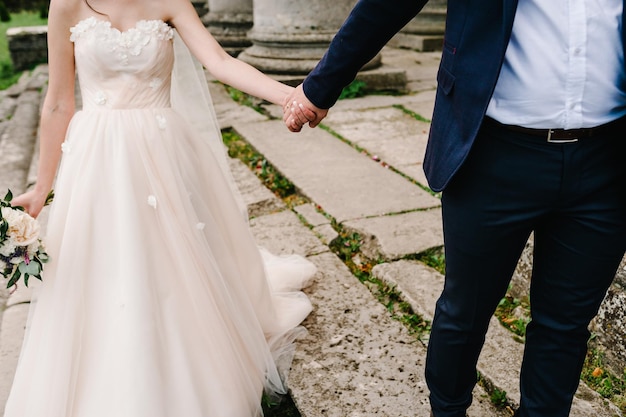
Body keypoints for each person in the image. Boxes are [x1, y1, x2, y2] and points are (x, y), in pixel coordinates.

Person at [285, 1, 626, 416]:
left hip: (607, 163)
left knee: (566, 326)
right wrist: (321, 86)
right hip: (493, 153)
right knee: (465, 310)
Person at [5, 0, 316, 416]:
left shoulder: (170, 0)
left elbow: (220, 61)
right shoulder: (66, 5)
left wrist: (292, 97)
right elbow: (59, 101)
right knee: (106, 272)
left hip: (163, 152)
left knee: (171, 265)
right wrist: (41, 189)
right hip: (96, 160)